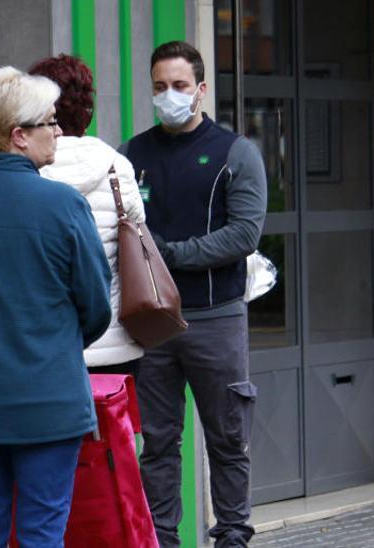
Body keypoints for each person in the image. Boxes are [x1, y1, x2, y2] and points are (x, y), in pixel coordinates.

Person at [0, 67, 112, 547]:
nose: (58, 132)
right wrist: (57, 344)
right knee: (43, 534)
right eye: (49, 123)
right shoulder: (63, 206)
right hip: (51, 401)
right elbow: (97, 307)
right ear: (19, 136)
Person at [119, 40, 265, 548]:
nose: (169, 96)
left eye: (179, 86)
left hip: (216, 318)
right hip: (151, 324)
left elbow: (245, 235)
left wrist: (171, 254)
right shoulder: (130, 155)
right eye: (159, 87)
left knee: (228, 442)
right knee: (158, 444)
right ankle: (161, 539)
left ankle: (232, 537)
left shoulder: (235, 153)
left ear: (201, 90)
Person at [29, 54, 146, 374]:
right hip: (116, 348)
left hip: (47, 348)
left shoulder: (28, 172)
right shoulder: (117, 167)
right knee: (116, 427)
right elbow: (138, 235)